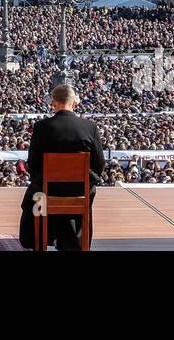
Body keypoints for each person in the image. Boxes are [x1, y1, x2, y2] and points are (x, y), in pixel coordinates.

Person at [19, 82, 106, 251]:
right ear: (74, 103)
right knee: (90, 191)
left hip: (46, 191)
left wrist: (43, 180)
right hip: (80, 191)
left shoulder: (41, 127)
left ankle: (39, 241)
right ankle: (75, 242)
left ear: (53, 103)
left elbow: (33, 163)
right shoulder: (90, 127)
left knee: (35, 195)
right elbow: (99, 163)